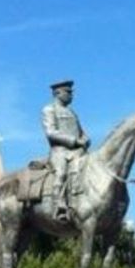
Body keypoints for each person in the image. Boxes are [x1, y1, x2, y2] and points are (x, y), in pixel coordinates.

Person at [42, 80, 89, 220]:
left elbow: (81, 132)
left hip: (77, 153)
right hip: (60, 152)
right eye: (68, 92)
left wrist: (85, 139)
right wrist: (74, 141)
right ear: (58, 93)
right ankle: (59, 207)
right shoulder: (49, 110)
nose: (71, 95)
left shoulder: (72, 112)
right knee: (61, 174)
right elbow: (51, 133)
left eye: (71, 92)